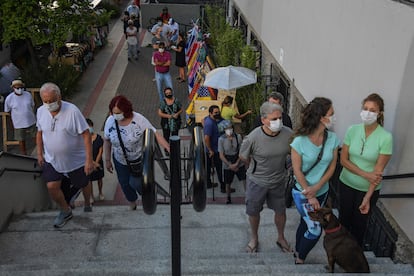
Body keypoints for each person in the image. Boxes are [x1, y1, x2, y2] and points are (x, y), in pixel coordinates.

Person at [290, 97, 340, 264]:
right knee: (315, 229)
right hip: (302, 193)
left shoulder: (332, 138)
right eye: (331, 114)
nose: (334, 117)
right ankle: (301, 257)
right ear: (321, 117)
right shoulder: (299, 141)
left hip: (322, 191)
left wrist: (318, 187)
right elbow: (296, 170)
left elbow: (332, 167)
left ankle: (297, 248)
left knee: (305, 223)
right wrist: (310, 193)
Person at [36, 82, 93, 227]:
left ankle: (87, 203)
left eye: (52, 101)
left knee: (83, 183)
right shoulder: (41, 111)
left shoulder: (72, 111)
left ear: (59, 97)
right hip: (52, 160)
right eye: (45, 101)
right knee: (52, 186)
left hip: (75, 161)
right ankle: (65, 210)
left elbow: (86, 134)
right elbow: (39, 132)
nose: (49, 104)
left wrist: (89, 159)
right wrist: (40, 153)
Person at [339, 93, 392, 248]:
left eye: (372, 110)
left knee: (359, 226)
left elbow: (378, 172)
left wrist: (367, 198)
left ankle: (353, 258)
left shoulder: (385, 137)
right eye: (365, 108)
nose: (367, 113)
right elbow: (343, 160)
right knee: (343, 222)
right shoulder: (352, 130)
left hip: (367, 190)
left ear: (379, 113)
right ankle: (341, 252)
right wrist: (365, 174)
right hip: (346, 184)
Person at [239, 102, 292, 253]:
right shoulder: (253, 137)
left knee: (281, 211)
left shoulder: (288, 134)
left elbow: (294, 152)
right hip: (257, 181)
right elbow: (243, 157)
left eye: (280, 118)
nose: (278, 122)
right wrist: (253, 167)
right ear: (263, 120)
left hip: (278, 181)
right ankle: (254, 238)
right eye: (274, 119)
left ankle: (281, 237)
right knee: (254, 212)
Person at [104, 95, 170, 211]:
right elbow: (107, 140)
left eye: (118, 113)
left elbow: (155, 133)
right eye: (113, 112)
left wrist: (168, 147)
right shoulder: (110, 121)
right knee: (124, 183)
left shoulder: (139, 120)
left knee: (137, 183)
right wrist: (107, 160)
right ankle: (132, 201)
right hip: (119, 160)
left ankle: (147, 196)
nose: (116, 115)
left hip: (137, 159)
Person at [4, 79, 36, 155]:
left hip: (31, 120)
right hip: (18, 122)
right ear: (13, 88)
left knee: (35, 136)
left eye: (21, 87)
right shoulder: (9, 98)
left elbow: (33, 105)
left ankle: (40, 151)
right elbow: (8, 112)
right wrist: (11, 123)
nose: (19, 89)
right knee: (21, 139)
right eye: (17, 88)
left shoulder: (28, 94)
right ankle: (24, 154)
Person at [218, 120, 246, 204]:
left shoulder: (238, 137)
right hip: (227, 162)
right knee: (227, 182)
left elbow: (242, 151)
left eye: (230, 128)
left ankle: (248, 195)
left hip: (238, 160)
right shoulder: (221, 139)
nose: (229, 130)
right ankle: (228, 197)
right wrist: (230, 165)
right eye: (227, 128)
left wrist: (237, 163)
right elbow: (221, 155)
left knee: (244, 179)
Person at [204, 105, 228, 192]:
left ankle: (209, 183)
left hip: (214, 148)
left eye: (218, 112)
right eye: (215, 113)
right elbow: (206, 138)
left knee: (209, 167)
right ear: (210, 113)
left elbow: (203, 119)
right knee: (219, 168)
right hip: (214, 150)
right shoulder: (210, 123)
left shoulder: (210, 119)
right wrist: (210, 150)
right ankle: (223, 186)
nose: (217, 114)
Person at [86, 118, 105, 203]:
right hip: (88, 162)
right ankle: (91, 196)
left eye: (89, 126)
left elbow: (101, 151)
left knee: (99, 178)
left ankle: (100, 193)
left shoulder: (98, 138)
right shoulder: (83, 139)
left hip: (98, 163)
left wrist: (96, 163)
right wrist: (92, 163)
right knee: (89, 180)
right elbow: (83, 152)